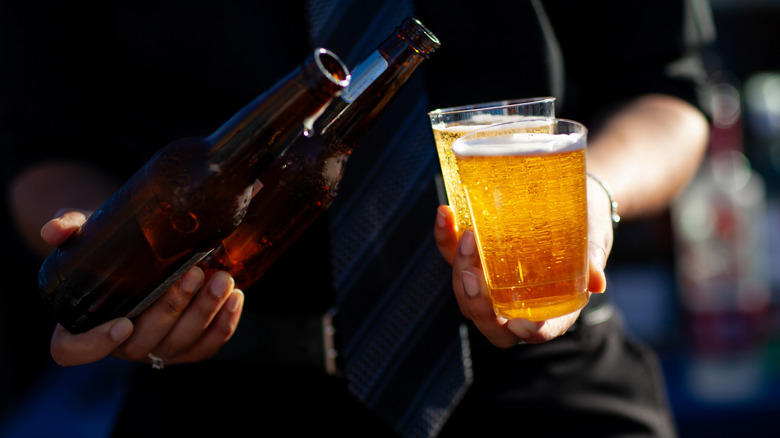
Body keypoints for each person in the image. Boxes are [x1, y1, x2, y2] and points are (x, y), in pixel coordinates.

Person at [2, 0, 713, 436]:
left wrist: (590, 196)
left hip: (544, 373)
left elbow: (669, 96)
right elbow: (43, 150)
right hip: (227, 384)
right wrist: (121, 255)